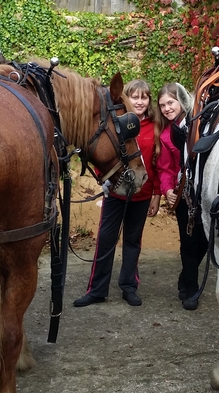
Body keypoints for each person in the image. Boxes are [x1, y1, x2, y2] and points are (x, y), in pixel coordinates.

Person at [73, 79, 163, 307]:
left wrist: (156, 195)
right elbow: (103, 149)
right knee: (106, 240)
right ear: (126, 99)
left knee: (133, 241)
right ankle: (97, 289)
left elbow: (158, 163)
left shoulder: (155, 127)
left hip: (142, 195)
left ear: (149, 101)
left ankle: (129, 286)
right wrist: (102, 178)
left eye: (144, 97)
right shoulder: (119, 122)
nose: (140, 102)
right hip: (115, 193)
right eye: (135, 97)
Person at [158, 82, 209, 311]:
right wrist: (167, 189)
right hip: (183, 193)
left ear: (181, 100)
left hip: (204, 190)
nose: (167, 108)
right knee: (189, 241)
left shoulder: (201, 124)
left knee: (205, 241)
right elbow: (166, 167)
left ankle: (184, 278)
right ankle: (191, 288)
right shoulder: (166, 134)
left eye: (170, 102)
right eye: (162, 105)